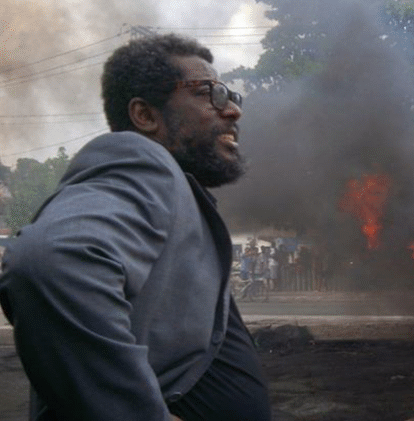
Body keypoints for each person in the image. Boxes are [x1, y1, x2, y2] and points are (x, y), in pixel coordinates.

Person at [0, 34, 271, 421]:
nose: (232, 111)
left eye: (232, 96)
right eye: (210, 93)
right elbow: (48, 260)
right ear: (145, 116)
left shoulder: (173, 193)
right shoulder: (143, 161)